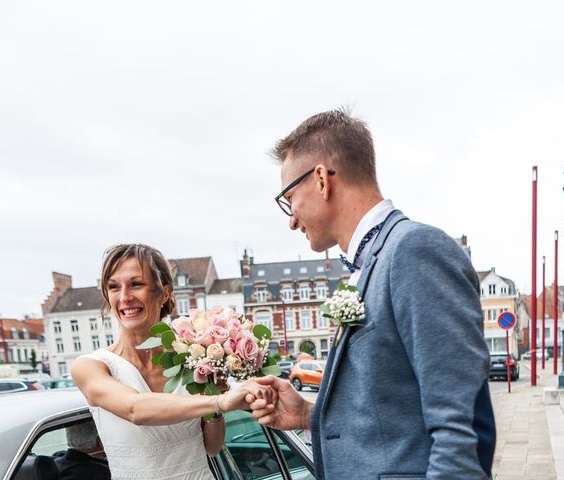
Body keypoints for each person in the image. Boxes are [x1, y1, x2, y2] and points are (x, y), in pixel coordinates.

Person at [248, 109, 496, 479]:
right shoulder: (373, 262)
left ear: (320, 179)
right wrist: (308, 415)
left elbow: (462, 427)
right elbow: (395, 409)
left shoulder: (414, 251)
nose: (291, 219)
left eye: (289, 197)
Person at [71, 244, 275, 480]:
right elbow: (134, 408)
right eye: (114, 287)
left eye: (136, 284)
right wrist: (219, 401)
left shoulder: (191, 358)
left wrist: (214, 399)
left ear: (164, 293)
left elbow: (212, 447)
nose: (125, 297)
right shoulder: (90, 367)